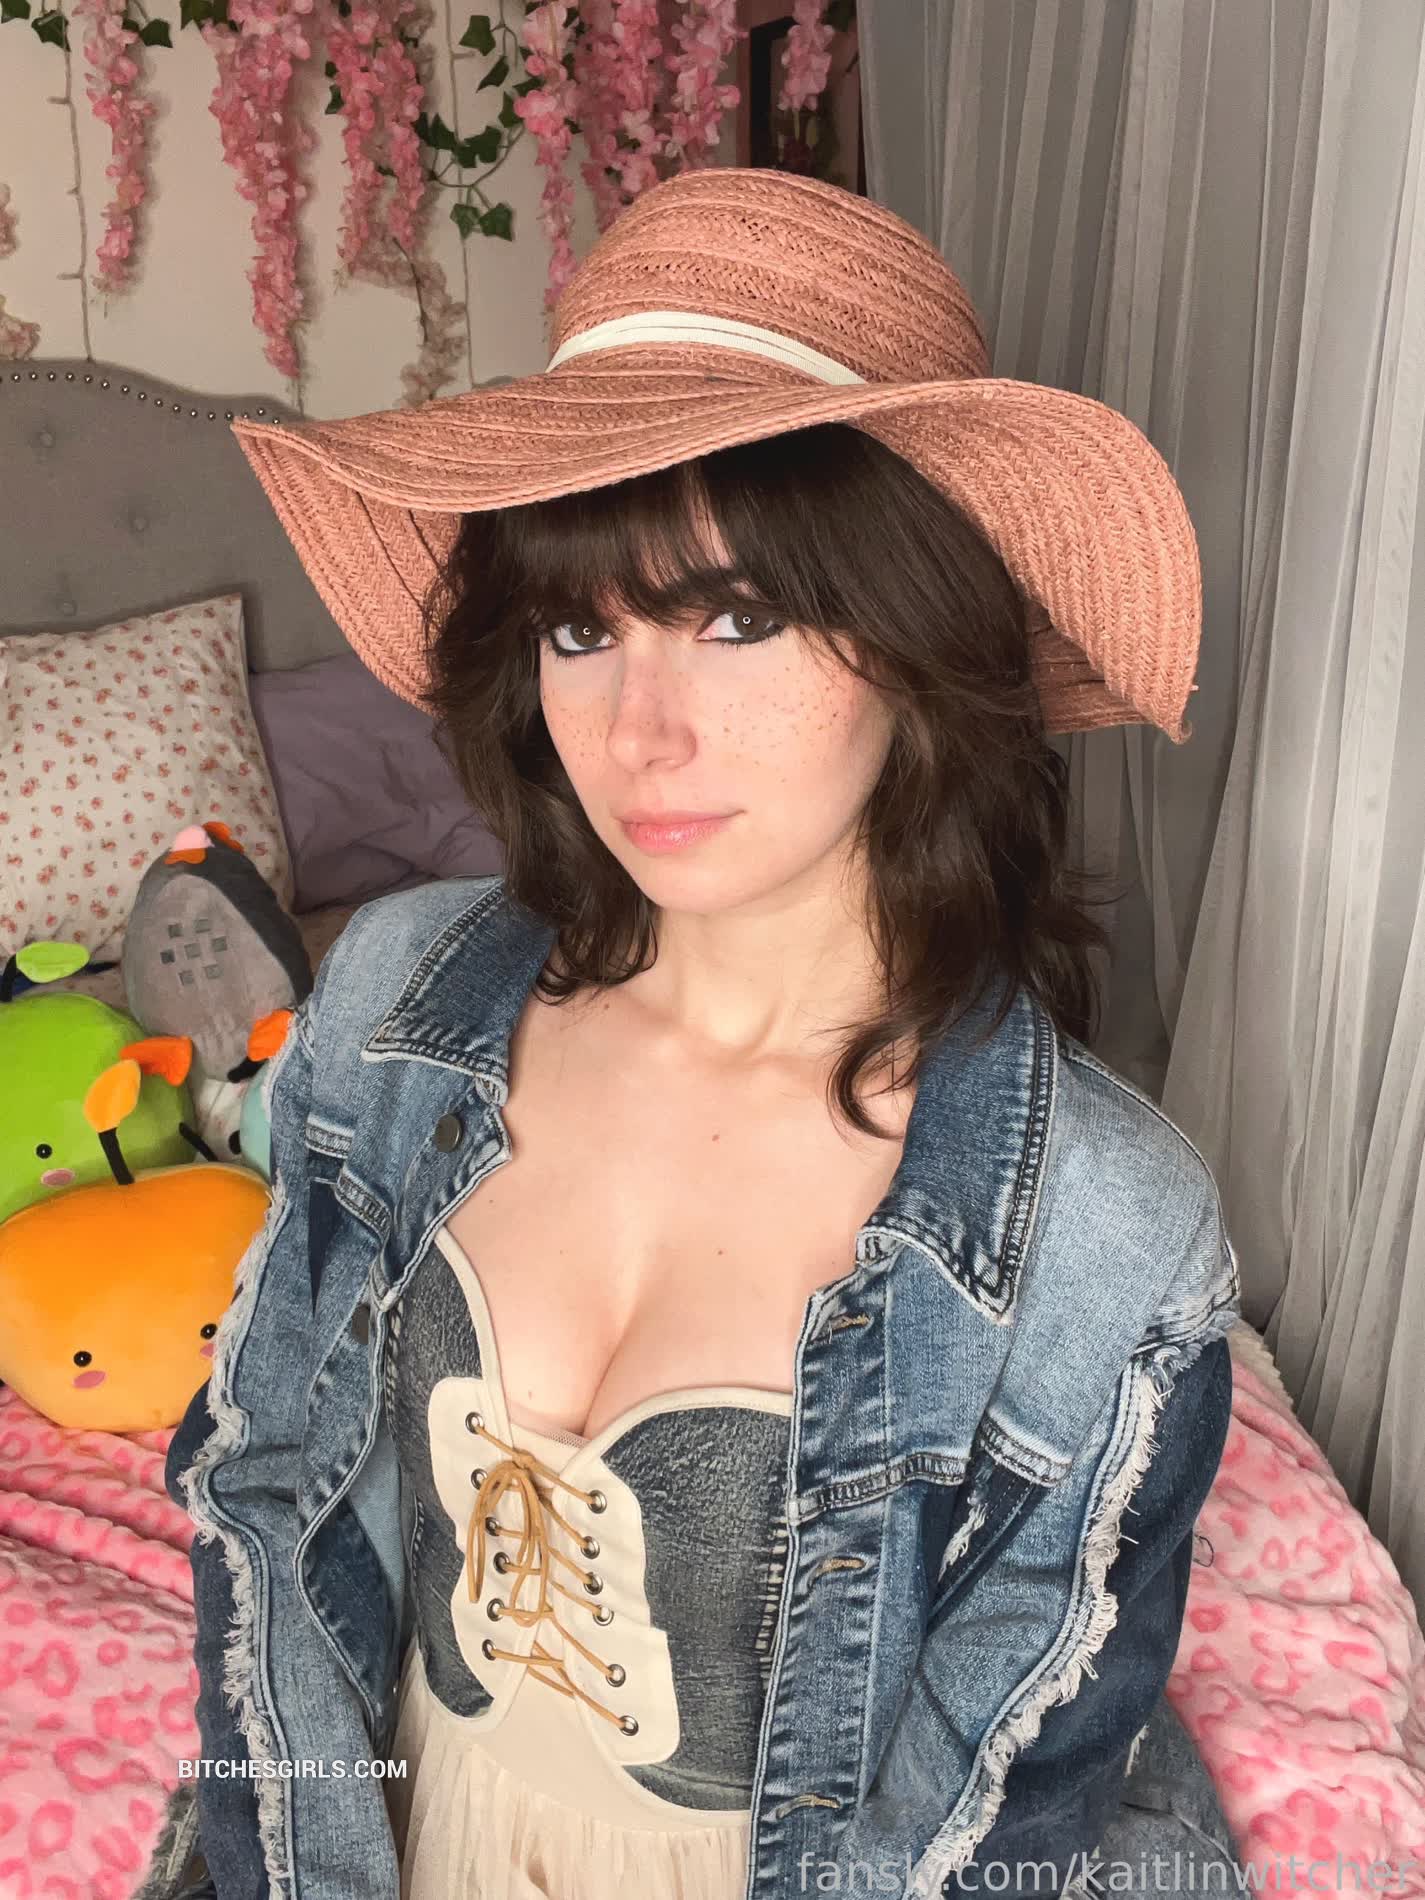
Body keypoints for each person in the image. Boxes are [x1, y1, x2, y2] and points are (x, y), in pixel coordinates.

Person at [158, 167, 1243, 1900]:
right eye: (579, 628)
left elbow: (997, 1808)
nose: (637, 731)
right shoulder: (399, 998)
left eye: (737, 617)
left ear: (920, 638)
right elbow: (264, 1490)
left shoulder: (1104, 1230)